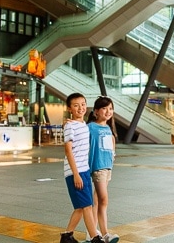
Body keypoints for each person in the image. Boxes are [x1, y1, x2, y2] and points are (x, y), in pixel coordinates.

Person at [60, 93, 105, 243]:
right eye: (76, 105)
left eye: (83, 104)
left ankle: (67, 236)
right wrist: (76, 174)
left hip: (84, 170)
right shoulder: (70, 126)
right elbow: (68, 150)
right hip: (75, 172)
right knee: (86, 206)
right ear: (69, 108)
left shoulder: (83, 125)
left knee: (81, 207)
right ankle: (95, 238)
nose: (81, 108)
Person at [87, 96, 120, 243]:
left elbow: (110, 148)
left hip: (107, 168)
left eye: (111, 108)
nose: (108, 111)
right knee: (103, 199)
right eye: (104, 108)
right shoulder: (90, 127)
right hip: (98, 167)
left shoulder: (108, 128)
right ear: (96, 111)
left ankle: (92, 232)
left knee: (97, 200)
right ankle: (105, 233)